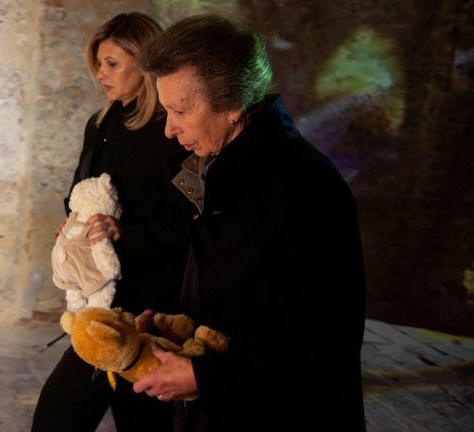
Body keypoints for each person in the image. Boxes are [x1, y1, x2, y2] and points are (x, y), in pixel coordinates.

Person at [132, 14, 367, 432]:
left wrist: (204, 378)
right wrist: (173, 328)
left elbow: (326, 350)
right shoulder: (211, 169)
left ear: (233, 104)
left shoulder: (306, 190)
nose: (168, 129)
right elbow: (232, 292)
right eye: (167, 110)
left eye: (180, 110)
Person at [31, 12, 190, 432]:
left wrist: (124, 231)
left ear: (145, 61)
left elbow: (189, 225)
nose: (101, 74)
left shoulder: (173, 130)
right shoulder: (101, 123)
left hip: (149, 305)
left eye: (112, 63)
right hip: (102, 302)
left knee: (142, 420)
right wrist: (75, 227)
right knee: (58, 414)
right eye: (98, 64)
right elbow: (79, 193)